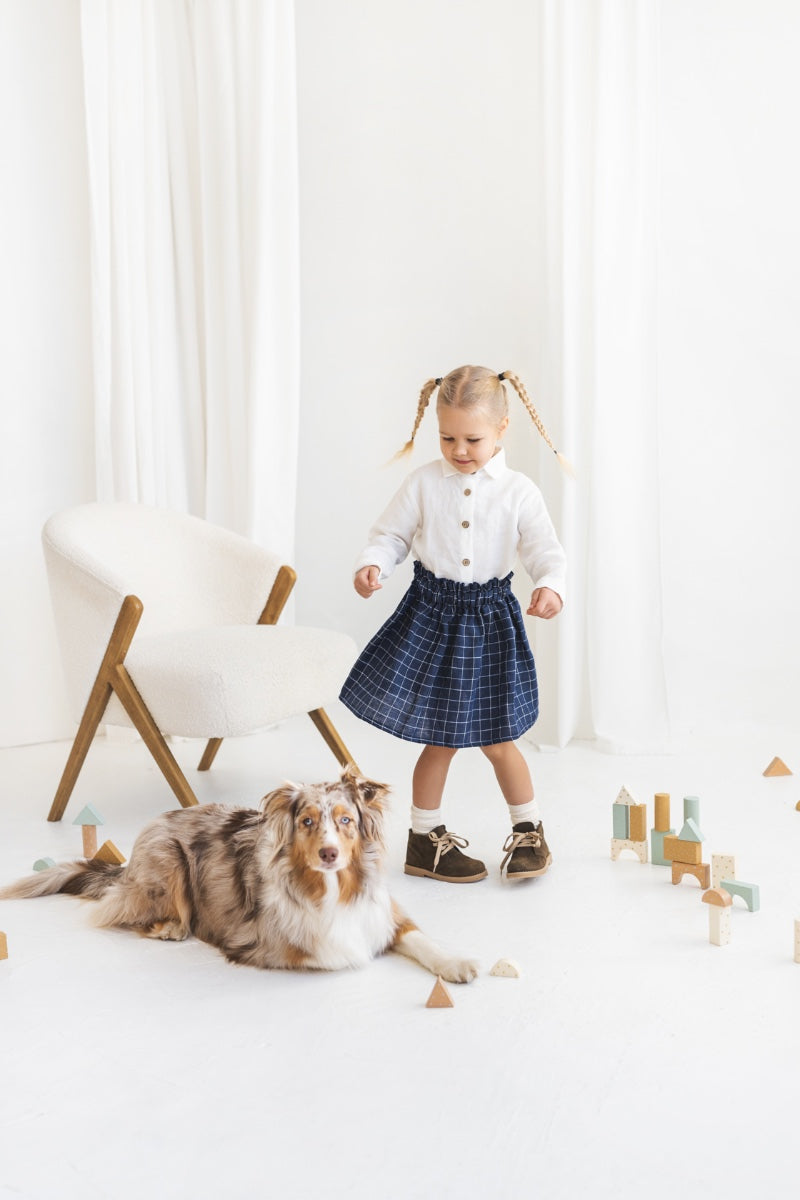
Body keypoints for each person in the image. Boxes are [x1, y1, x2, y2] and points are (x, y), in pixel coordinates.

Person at [339, 365, 567, 883]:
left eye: (473, 438)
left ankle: (529, 831)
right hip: (432, 618)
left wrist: (551, 585)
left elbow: (545, 551)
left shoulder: (519, 492)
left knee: (499, 738)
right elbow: (390, 535)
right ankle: (424, 839)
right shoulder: (422, 483)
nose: (460, 449)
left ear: (502, 429)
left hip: (490, 623)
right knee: (439, 738)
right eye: (447, 437)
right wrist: (373, 563)